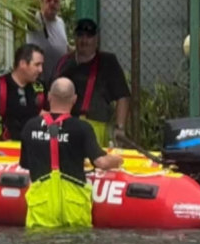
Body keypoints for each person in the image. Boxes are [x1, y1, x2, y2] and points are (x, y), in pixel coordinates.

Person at [19, 77, 123, 229]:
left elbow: (25, 164)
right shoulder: (82, 128)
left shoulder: (30, 126)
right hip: (73, 205)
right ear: (74, 99)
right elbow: (101, 162)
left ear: (49, 96)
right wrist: (119, 160)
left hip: (41, 205)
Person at [49, 18, 130, 147]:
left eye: (89, 36)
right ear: (75, 37)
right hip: (63, 124)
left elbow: (122, 96)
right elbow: (51, 93)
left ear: (96, 39)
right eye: (80, 35)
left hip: (94, 125)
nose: (84, 40)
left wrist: (120, 128)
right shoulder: (63, 62)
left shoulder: (108, 61)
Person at [0, 44, 46, 142]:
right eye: (37, 65)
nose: (41, 70)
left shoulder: (40, 88)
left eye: (42, 65)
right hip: (4, 151)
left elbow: (49, 117)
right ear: (22, 64)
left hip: (32, 151)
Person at [26, 0, 69, 85]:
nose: (52, 3)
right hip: (39, 80)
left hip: (58, 78)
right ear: (41, 3)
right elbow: (29, 14)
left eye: (55, 1)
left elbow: (64, 45)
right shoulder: (36, 20)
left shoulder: (60, 22)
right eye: (48, 0)